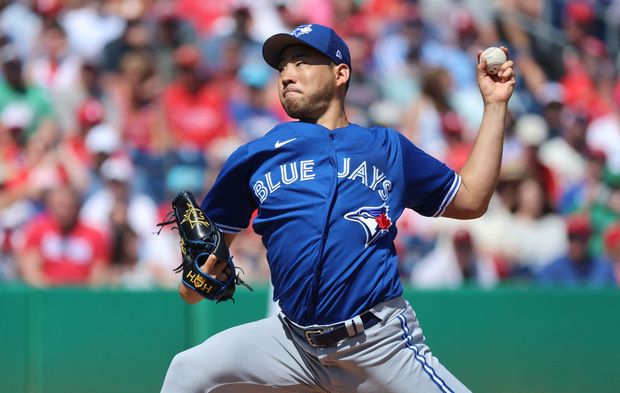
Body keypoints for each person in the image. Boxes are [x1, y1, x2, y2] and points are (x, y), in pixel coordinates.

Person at [161, 23, 515, 393]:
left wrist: (494, 105)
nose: (286, 75)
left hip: (379, 345)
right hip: (291, 344)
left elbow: (472, 198)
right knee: (188, 370)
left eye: (301, 62)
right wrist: (196, 279)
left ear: (340, 73)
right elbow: (193, 286)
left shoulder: (386, 148)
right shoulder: (255, 155)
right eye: (282, 68)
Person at [536, 215, 615, 287]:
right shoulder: (552, 269)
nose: (577, 243)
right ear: (567, 239)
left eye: (582, 238)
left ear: (588, 240)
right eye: (572, 238)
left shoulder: (603, 268)